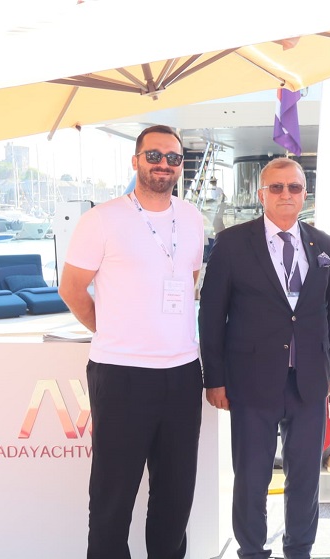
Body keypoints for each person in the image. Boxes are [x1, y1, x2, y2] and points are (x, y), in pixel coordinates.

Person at [58, 124, 205, 559]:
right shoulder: (102, 219)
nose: (163, 164)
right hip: (121, 373)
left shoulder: (192, 218)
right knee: (113, 497)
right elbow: (72, 289)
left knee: (175, 497)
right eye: (154, 155)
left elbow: (189, 281)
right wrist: (111, 330)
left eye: (173, 158)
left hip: (182, 372)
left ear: (181, 165)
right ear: (136, 160)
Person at [198, 157, 330, 559]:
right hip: (251, 381)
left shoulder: (323, 244)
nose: (285, 194)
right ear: (261, 194)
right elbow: (211, 314)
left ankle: (300, 549)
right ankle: (251, 550)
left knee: (306, 476)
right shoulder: (232, 243)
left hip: (308, 381)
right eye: (276, 187)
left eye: (294, 187)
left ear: (304, 194)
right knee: (251, 475)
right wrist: (214, 378)